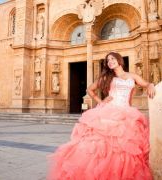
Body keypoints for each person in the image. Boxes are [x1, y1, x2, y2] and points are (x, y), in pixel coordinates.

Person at [47, 52, 155, 180]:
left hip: (126, 112)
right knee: (103, 145)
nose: (110, 61)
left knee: (125, 146)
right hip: (110, 111)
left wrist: (151, 85)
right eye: (108, 60)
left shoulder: (132, 76)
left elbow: (146, 84)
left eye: (112, 58)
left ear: (119, 60)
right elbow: (89, 89)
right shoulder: (108, 77)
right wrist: (101, 101)